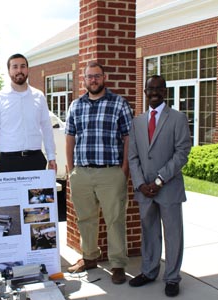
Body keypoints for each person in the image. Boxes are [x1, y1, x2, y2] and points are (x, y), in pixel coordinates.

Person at [65, 61, 133, 284]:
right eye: (89, 77)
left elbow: (127, 138)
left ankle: (118, 264)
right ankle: (90, 257)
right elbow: (70, 138)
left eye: (97, 76)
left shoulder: (118, 103)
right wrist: (71, 169)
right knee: (85, 218)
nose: (93, 80)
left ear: (104, 78)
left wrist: (124, 168)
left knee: (115, 219)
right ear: (83, 80)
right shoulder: (75, 105)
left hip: (110, 172)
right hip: (82, 173)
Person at [128, 75, 192, 297]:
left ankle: (172, 277)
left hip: (168, 187)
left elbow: (182, 152)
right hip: (145, 190)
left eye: (158, 88)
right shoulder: (137, 122)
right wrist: (140, 184)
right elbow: (133, 156)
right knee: (149, 232)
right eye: (150, 89)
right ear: (145, 92)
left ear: (165, 91)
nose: (154, 92)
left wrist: (159, 180)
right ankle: (149, 271)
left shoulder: (177, 118)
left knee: (173, 234)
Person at [0, 53, 56, 174]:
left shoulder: (39, 96)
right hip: (8, 162)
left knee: (38, 194)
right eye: (15, 67)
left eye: (23, 66)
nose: (19, 70)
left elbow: (47, 129)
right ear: (9, 71)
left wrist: (51, 157)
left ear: (27, 69)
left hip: (35, 160)